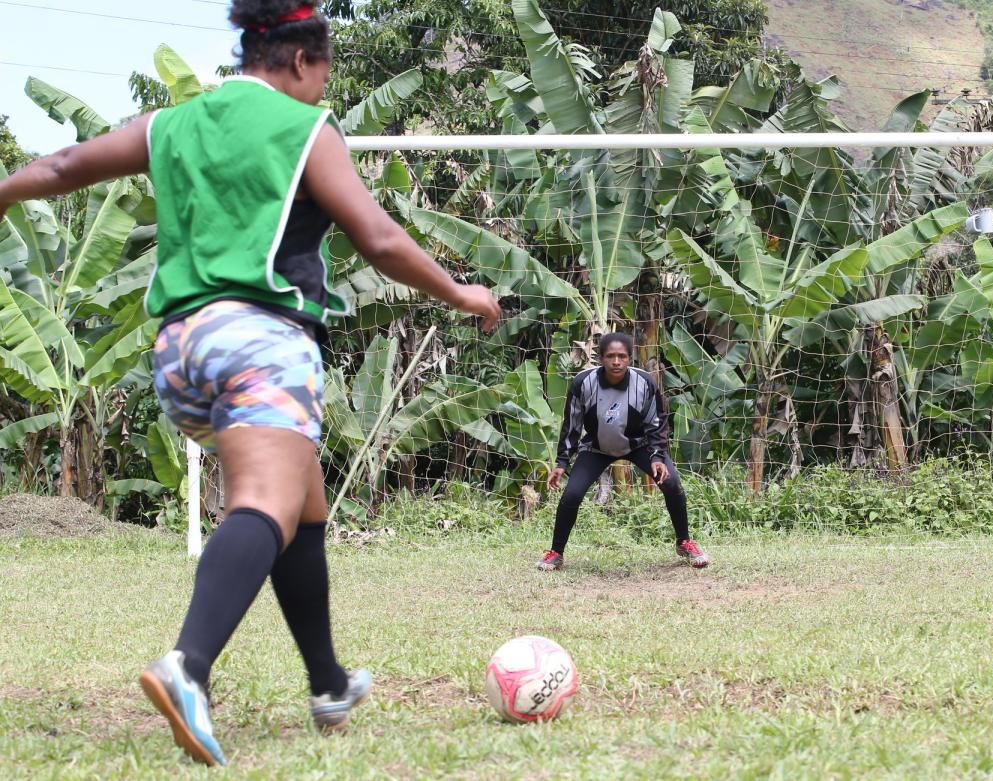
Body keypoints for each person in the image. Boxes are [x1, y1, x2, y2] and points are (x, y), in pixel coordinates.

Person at [0, 0, 500, 767]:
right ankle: (188, 667)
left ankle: (328, 683)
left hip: (178, 353)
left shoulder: (175, 122)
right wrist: (462, 294)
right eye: (323, 74)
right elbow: (379, 237)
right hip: (261, 341)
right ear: (302, 61)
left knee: (303, 506)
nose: (321, 87)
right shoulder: (305, 128)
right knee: (263, 503)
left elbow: (65, 167)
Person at [540, 332, 710, 571]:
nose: (616, 361)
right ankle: (556, 553)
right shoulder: (583, 383)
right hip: (596, 448)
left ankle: (684, 542)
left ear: (630, 358)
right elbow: (572, 425)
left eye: (622, 356)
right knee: (572, 495)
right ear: (600, 358)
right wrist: (561, 463)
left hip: (639, 445)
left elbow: (657, 422)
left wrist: (658, 456)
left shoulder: (644, 382)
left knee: (671, 484)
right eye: (611, 356)